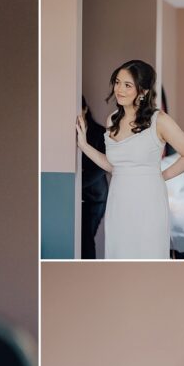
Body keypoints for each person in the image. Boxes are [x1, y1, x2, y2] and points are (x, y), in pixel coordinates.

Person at [76, 60, 184, 259]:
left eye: (127, 85)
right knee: (119, 254)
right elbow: (112, 166)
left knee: (146, 255)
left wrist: (160, 176)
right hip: (118, 201)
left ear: (142, 91)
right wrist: (84, 146)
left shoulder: (159, 121)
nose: (119, 89)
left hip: (148, 201)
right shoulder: (112, 120)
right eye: (117, 82)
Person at [80, 96, 109, 259]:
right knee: (80, 238)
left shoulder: (99, 133)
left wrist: (78, 183)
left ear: (85, 109)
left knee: (86, 238)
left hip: (95, 198)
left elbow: (101, 167)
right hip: (78, 197)